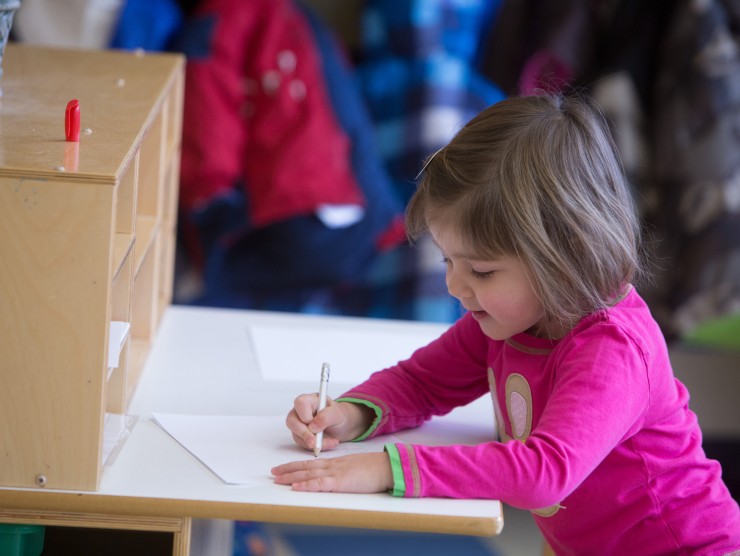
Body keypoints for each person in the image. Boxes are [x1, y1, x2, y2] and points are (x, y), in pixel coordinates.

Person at [271, 93, 740, 554]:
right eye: (447, 260)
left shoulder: (612, 349)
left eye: (481, 270)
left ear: (565, 257)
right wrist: (352, 414)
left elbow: (543, 474)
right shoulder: (508, 316)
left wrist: (388, 470)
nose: (455, 285)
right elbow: (424, 381)